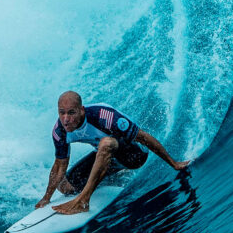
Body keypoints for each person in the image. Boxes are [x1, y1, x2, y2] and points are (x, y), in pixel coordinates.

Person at [37, 90, 190, 215]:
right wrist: (46, 198)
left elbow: (144, 138)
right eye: (61, 113)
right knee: (64, 186)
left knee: (106, 143)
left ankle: (83, 201)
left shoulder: (105, 117)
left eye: (71, 113)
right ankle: (106, 178)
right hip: (108, 158)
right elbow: (59, 166)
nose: (66, 119)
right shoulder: (60, 131)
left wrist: (174, 163)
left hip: (134, 155)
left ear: (81, 110)